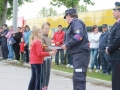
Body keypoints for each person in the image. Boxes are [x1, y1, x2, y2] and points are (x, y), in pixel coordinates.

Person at [61, 8, 90, 90]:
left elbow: (78, 36)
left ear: (68, 15)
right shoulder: (75, 23)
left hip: (80, 54)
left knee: (79, 78)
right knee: (77, 77)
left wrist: (67, 45)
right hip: (78, 54)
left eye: (66, 17)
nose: (66, 19)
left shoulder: (76, 22)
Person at [105, 2, 120, 90]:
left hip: (118, 55)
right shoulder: (117, 23)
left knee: (117, 80)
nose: (113, 12)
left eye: (115, 10)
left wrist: (109, 48)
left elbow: (118, 38)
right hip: (116, 55)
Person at [41, 22, 56, 90]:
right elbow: (44, 48)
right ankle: (42, 87)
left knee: (48, 73)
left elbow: (49, 47)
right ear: (42, 29)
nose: (47, 30)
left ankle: (46, 87)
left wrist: (51, 57)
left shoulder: (49, 38)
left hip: (49, 57)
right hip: (44, 57)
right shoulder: (41, 37)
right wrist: (52, 49)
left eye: (48, 28)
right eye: (46, 28)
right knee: (44, 73)